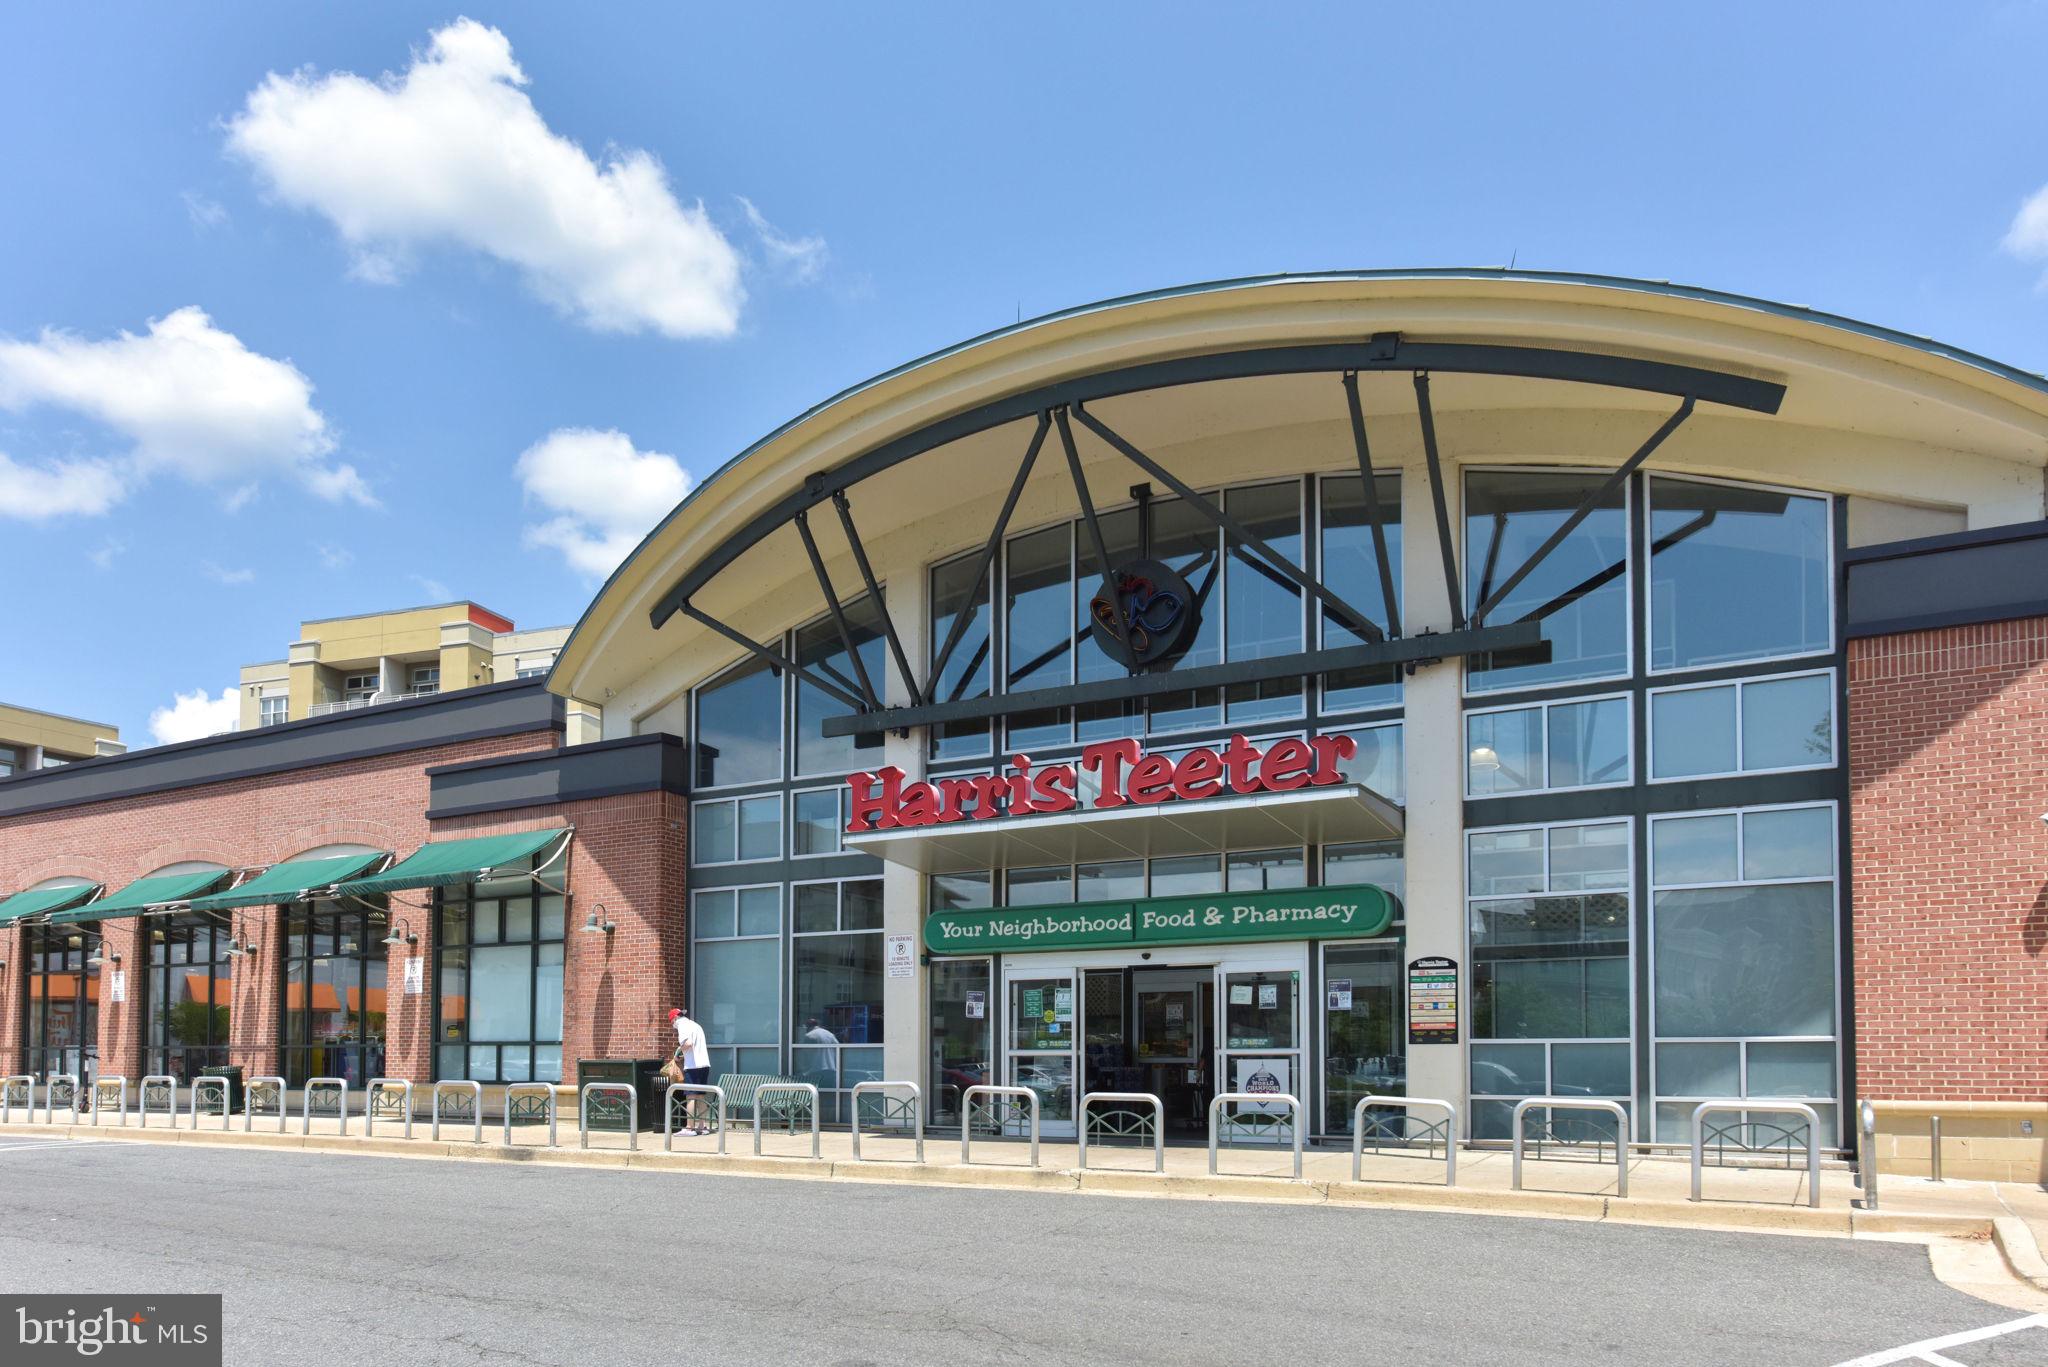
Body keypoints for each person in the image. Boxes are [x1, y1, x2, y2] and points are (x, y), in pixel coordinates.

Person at [668, 1007, 712, 1134]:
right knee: (701, 1096)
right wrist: (684, 1054)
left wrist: (677, 1052)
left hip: (693, 1066)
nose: (673, 1025)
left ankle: (689, 1127)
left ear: (675, 1018)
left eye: (672, 1022)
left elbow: (688, 1043)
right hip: (704, 1064)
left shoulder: (682, 1026)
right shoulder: (695, 1025)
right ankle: (702, 1127)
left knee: (691, 1097)